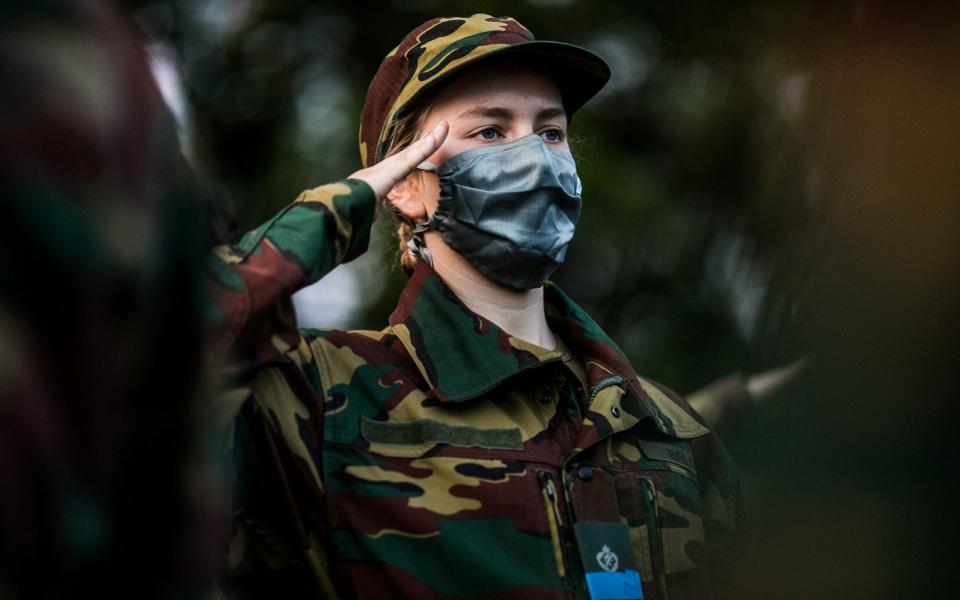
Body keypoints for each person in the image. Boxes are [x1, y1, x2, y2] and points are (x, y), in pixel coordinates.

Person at [207, 14, 739, 599]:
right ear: (406, 183)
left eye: (551, 132)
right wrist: (349, 202)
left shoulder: (671, 431)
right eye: (490, 132)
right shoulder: (324, 401)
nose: (535, 158)